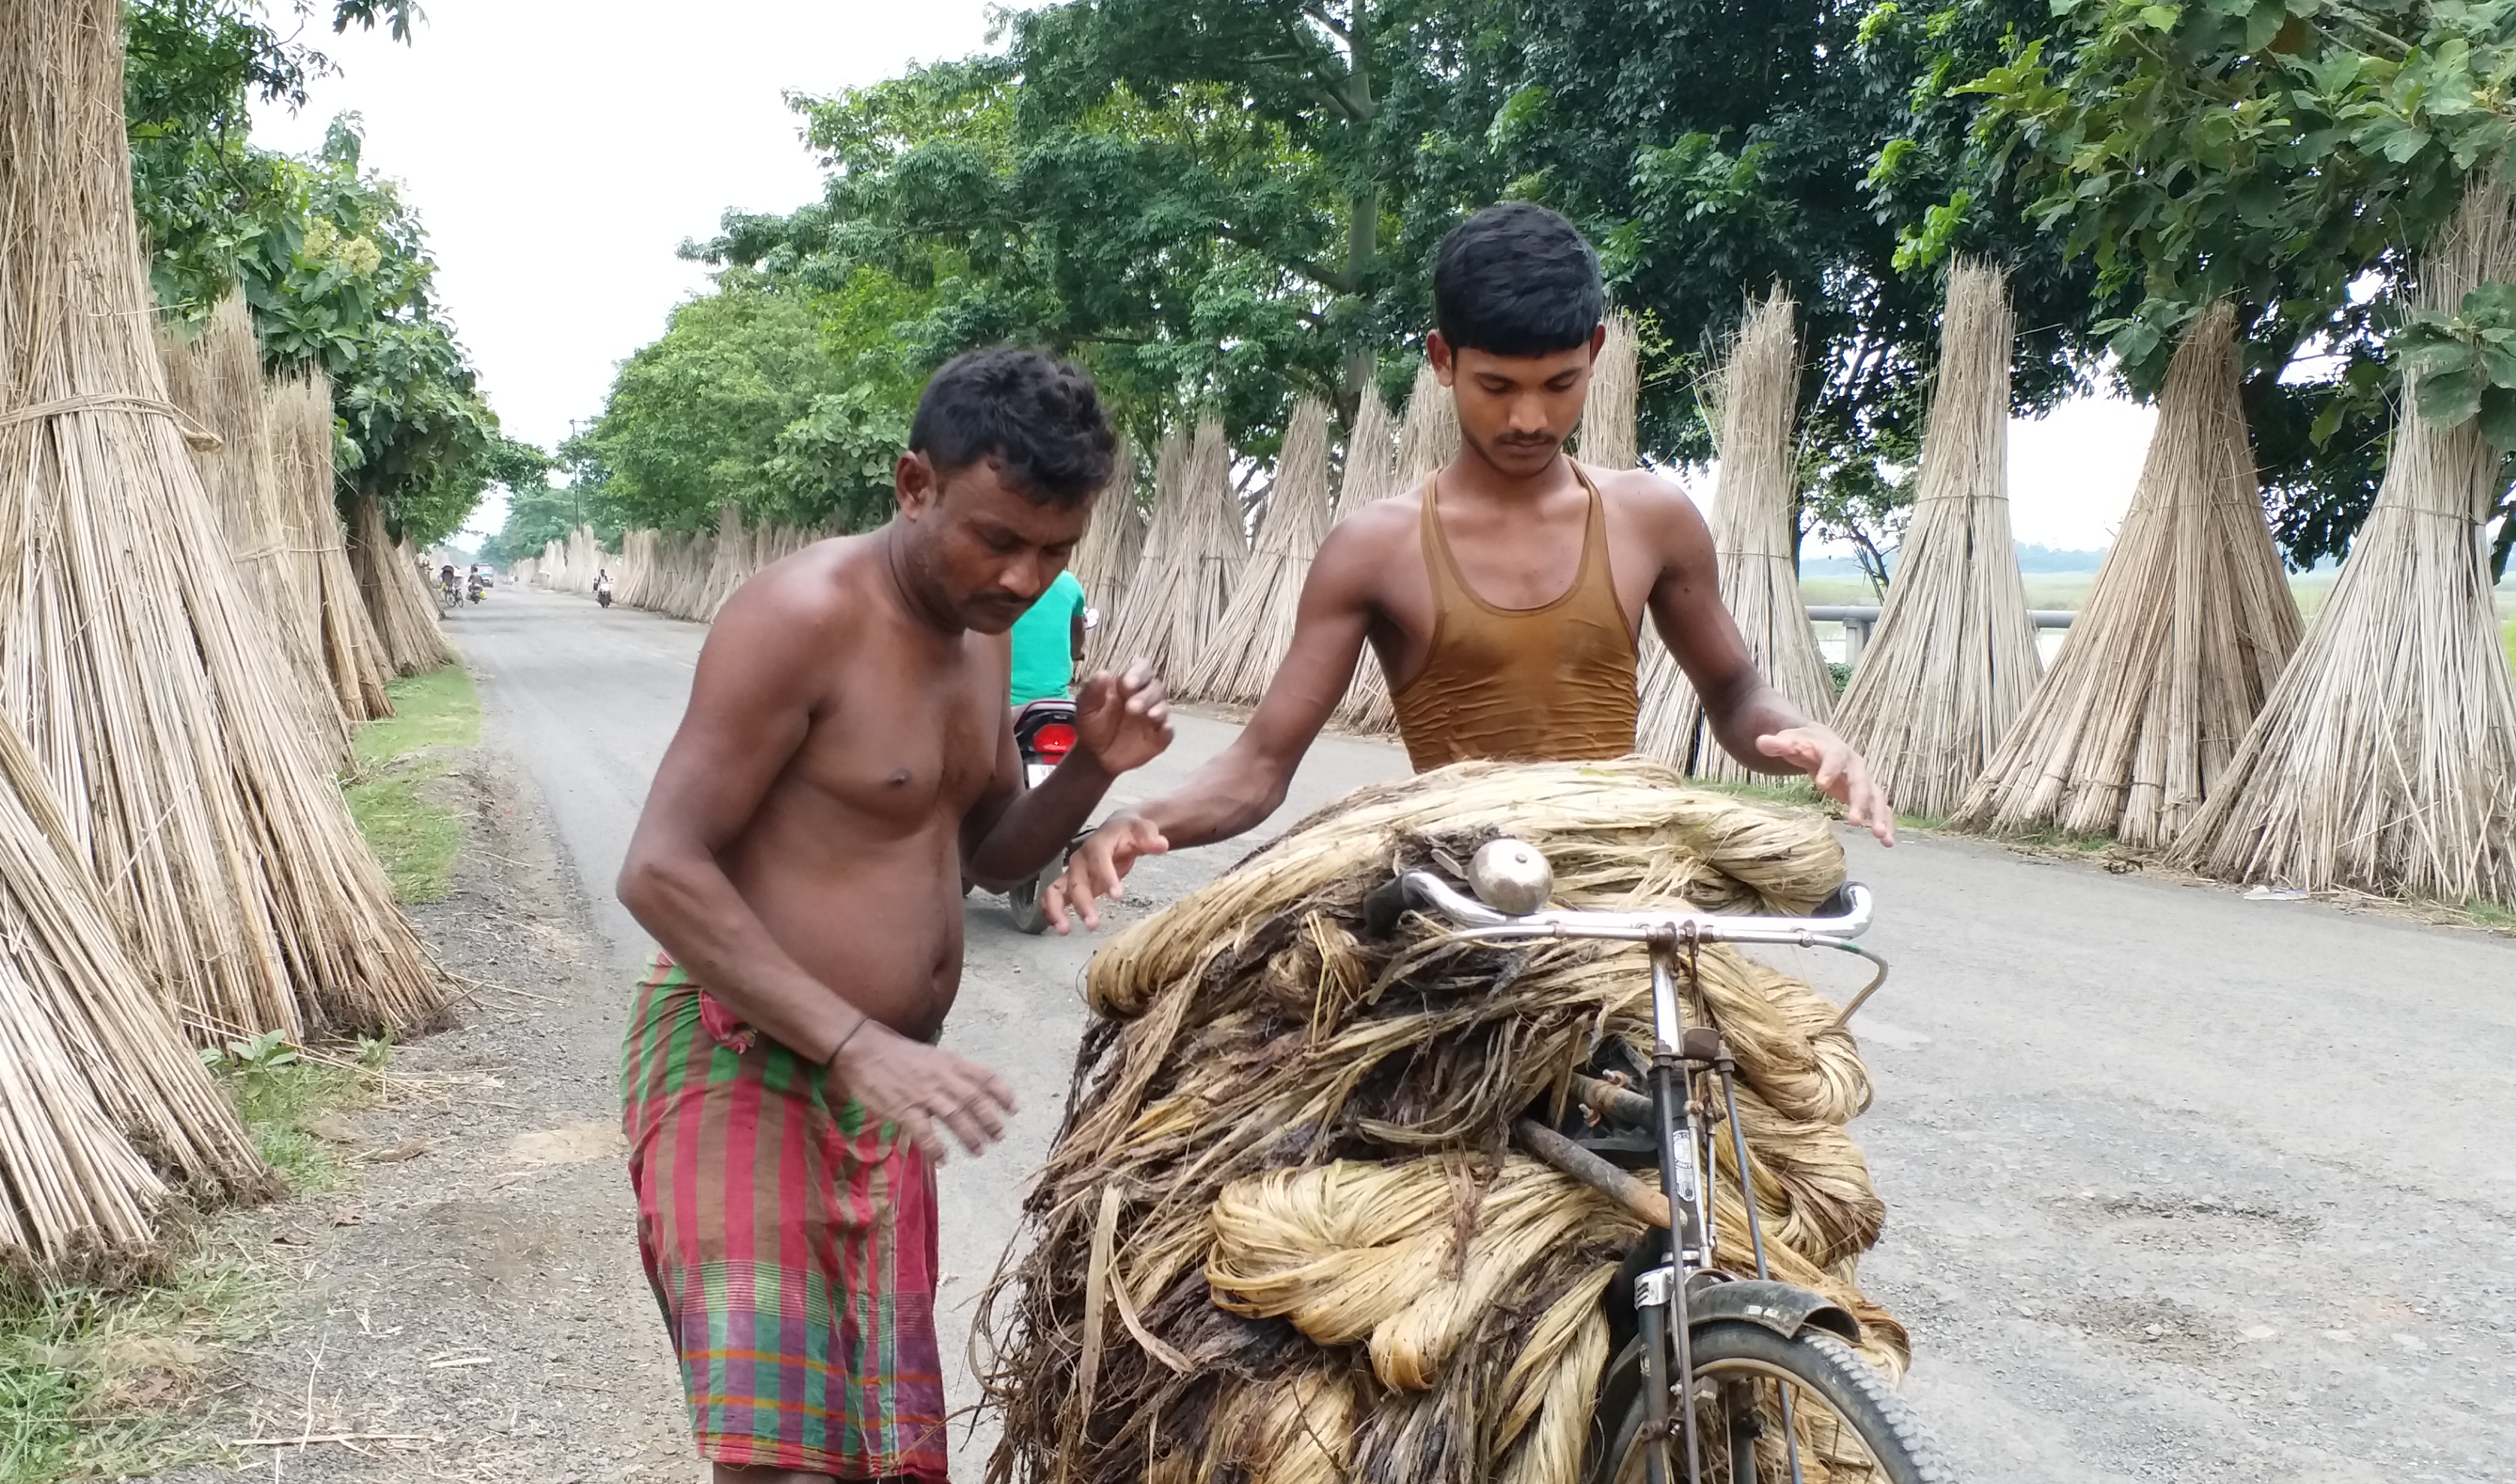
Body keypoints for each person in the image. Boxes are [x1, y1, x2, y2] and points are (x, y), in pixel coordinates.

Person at [615, 348, 1172, 1484]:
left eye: (1056, 552)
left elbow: (982, 851)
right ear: (915, 483)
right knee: (778, 1456)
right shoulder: (802, 616)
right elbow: (659, 869)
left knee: (881, 1453)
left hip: (881, 1090)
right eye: (997, 538)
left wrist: (1091, 775)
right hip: (741, 1060)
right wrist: (854, 1038)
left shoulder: (983, 645)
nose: (1023, 579)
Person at [1046, 202, 1894, 934]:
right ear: (1443, 360)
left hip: (1628, 891)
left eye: (1561, 383)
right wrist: (1142, 817)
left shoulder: (1654, 518)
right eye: (1497, 386)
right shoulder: (1373, 548)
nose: (1530, 417)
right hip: (1464, 898)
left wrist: (1805, 737)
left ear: (1595, 351)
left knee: (1728, 1098)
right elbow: (1261, 767)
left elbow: (1737, 692)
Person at [1007, 567, 1086, 704]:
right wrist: (1076, 652)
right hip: (1056, 703)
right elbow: (1078, 630)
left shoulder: (1002, 583)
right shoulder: (1070, 583)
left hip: (1006, 705)